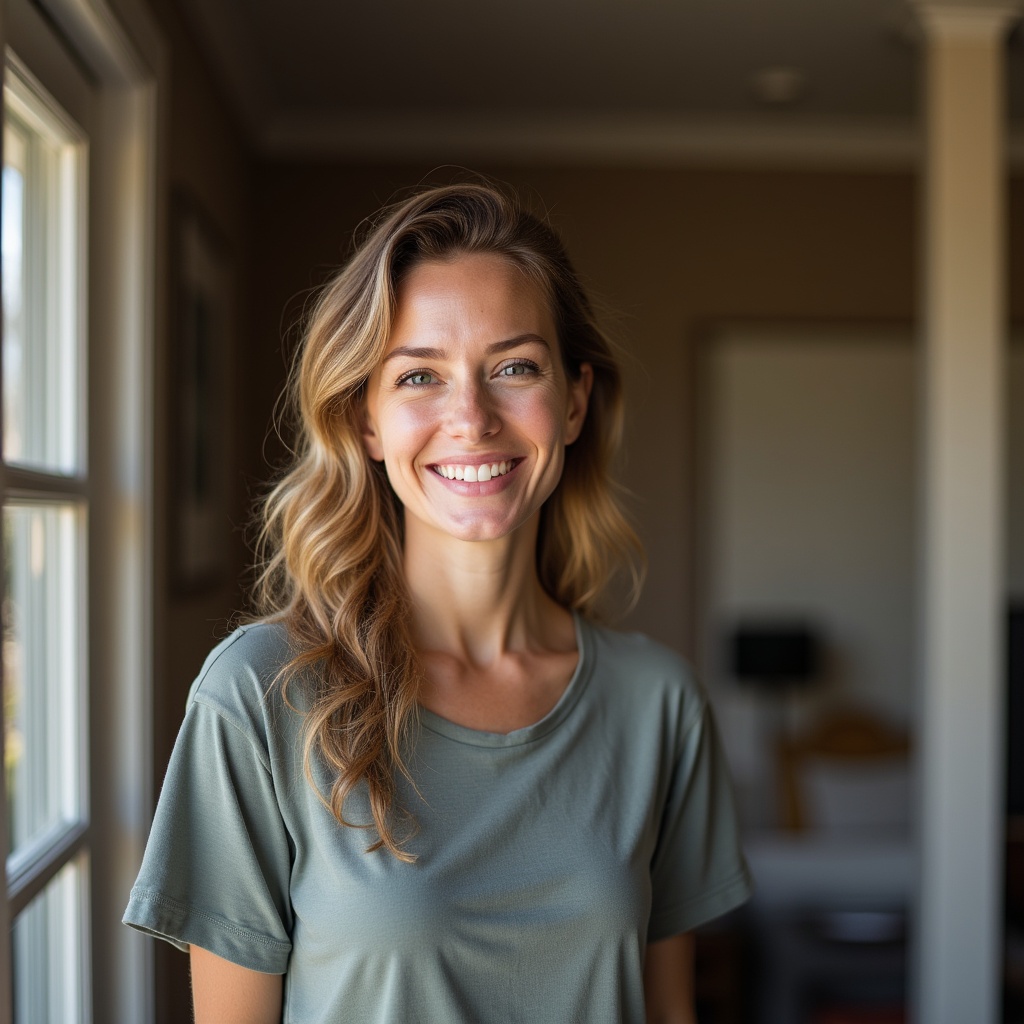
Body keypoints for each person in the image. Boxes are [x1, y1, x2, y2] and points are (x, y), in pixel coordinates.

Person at [124, 180, 752, 1024]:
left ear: (572, 402)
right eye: (420, 375)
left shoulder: (658, 702)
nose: (471, 417)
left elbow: (667, 1008)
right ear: (368, 423)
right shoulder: (259, 693)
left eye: (515, 368)